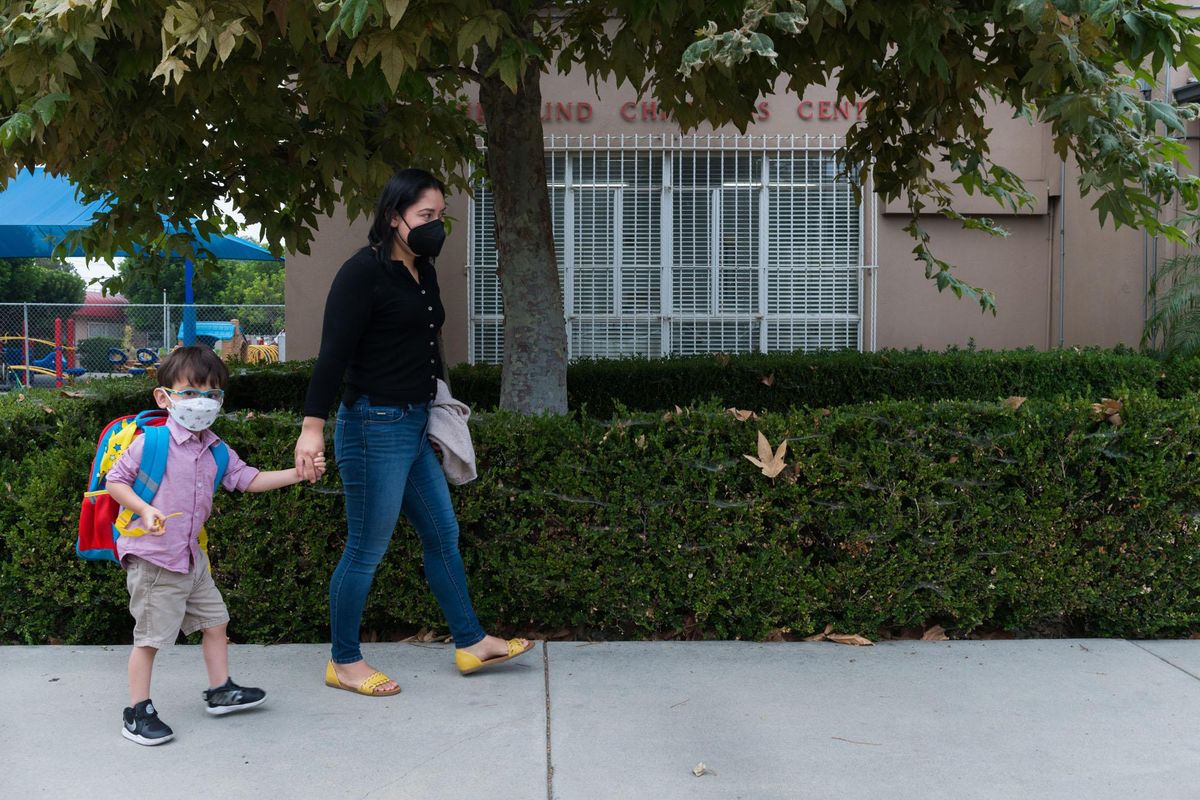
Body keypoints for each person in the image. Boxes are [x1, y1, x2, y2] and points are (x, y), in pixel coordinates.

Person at [294, 167, 533, 697]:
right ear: (393, 217)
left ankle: (471, 642)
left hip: (413, 422)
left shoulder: (421, 270)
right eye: (426, 216)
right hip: (371, 426)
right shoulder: (361, 274)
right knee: (365, 548)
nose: (436, 226)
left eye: (440, 216)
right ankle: (344, 660)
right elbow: (332, 355)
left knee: (442, 534)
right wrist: (312, 430)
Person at [107, 346, 325, 745]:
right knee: (150, 639)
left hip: (192, 557)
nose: (201, 402)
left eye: (212, 393)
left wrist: (298, 473)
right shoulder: (150, 443)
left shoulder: (216, 449)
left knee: (216, 622)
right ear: (164, 397)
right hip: (154, 559)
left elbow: (249, 479)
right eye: (190, 392)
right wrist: (144, 508)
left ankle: (221, 689)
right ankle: (137, 712)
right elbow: (114, 482)